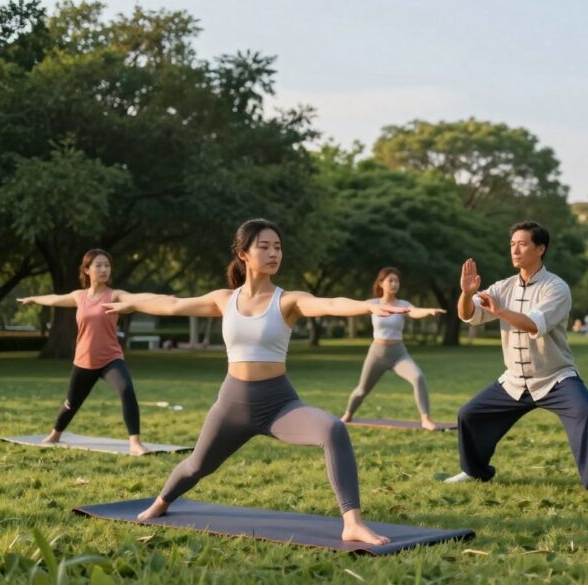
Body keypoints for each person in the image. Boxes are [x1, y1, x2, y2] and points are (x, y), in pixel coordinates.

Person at [104, 218, 406, 544]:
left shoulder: (287, 301)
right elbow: (173, 303)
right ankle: (161, 502)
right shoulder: (225, 299)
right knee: (196, 467)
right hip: (232, 405)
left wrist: (366, 307)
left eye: (277, 247)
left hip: (279, 404)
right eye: (264, 247)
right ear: (243, 253)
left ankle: (352, 522)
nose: (273, 253)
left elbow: (329, 304)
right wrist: (132, 302)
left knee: (333, 429)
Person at [445, 221, 588, 503]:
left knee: (586, 413)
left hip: (554, 377)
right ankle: (475, 471)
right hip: (515, 379)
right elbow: (469, 315)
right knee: (469, 414)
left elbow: (532, 324)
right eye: (512, 245)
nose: (515, 250)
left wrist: (501, 311)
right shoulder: (503, 286)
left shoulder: (556, 288)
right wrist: (466, 294)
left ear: (540, 248)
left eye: (523, 244)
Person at [18, 249, 154, 455]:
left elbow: (133, 299)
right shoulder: (79, 296)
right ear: (87, 270)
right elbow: (55, 299)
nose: (104, 269)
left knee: (126, 390)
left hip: (110, 359)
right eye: (98, 265)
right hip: (84, 361)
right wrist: (34, 299)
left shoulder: (114, 295)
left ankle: (135, 443)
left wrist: (159, 300)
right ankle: (55, 434)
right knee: (71, 403)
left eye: (107, 265)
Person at [341, 267, 446, 430]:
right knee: (362, 390)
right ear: (381, 283)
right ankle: (348, 413)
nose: (394, 283)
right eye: (390, 280)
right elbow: (352, 307)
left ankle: (426, 419)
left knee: (418, 377)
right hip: (377, 353)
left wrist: (428, 311)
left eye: (397, 280)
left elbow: (415, 311)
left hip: (398, 354)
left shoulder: (403, 305)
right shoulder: (373, 304)